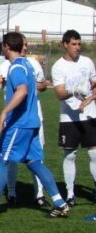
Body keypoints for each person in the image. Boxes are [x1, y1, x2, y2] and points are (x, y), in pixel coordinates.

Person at [0, 32, 70, 218]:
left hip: (19, 124)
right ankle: (60, 203)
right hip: (32, 122)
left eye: (3, 46)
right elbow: (36, 86)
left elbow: (22, 91)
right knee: (34, 163)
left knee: (0, 160)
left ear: (6, 46)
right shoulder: (27, 65)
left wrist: (4, 113)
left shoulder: (15, 68)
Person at [0, 36, 49, 207]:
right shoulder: (4, 66)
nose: (26, 48)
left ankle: (38, 194)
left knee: (5, 158)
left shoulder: (28, 64)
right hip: (24, 119)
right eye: (24, 45)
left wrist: (4, 113)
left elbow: (41, 85)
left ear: (7, 47)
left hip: (22, 120)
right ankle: (12, 192)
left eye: (27, 45)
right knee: (25, 160)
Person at [51, 29, 96, 206]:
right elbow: (60, 94)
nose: (78, 47)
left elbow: (95, 84)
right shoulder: (58, 67)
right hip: (69, 118)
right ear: (65, 45)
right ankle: (70, 194)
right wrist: (75, 91)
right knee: (70, 155)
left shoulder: (87, 62)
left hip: (90, 115)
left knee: (94, 155)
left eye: (79, 44)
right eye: (74, 44)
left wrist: (90, 98)